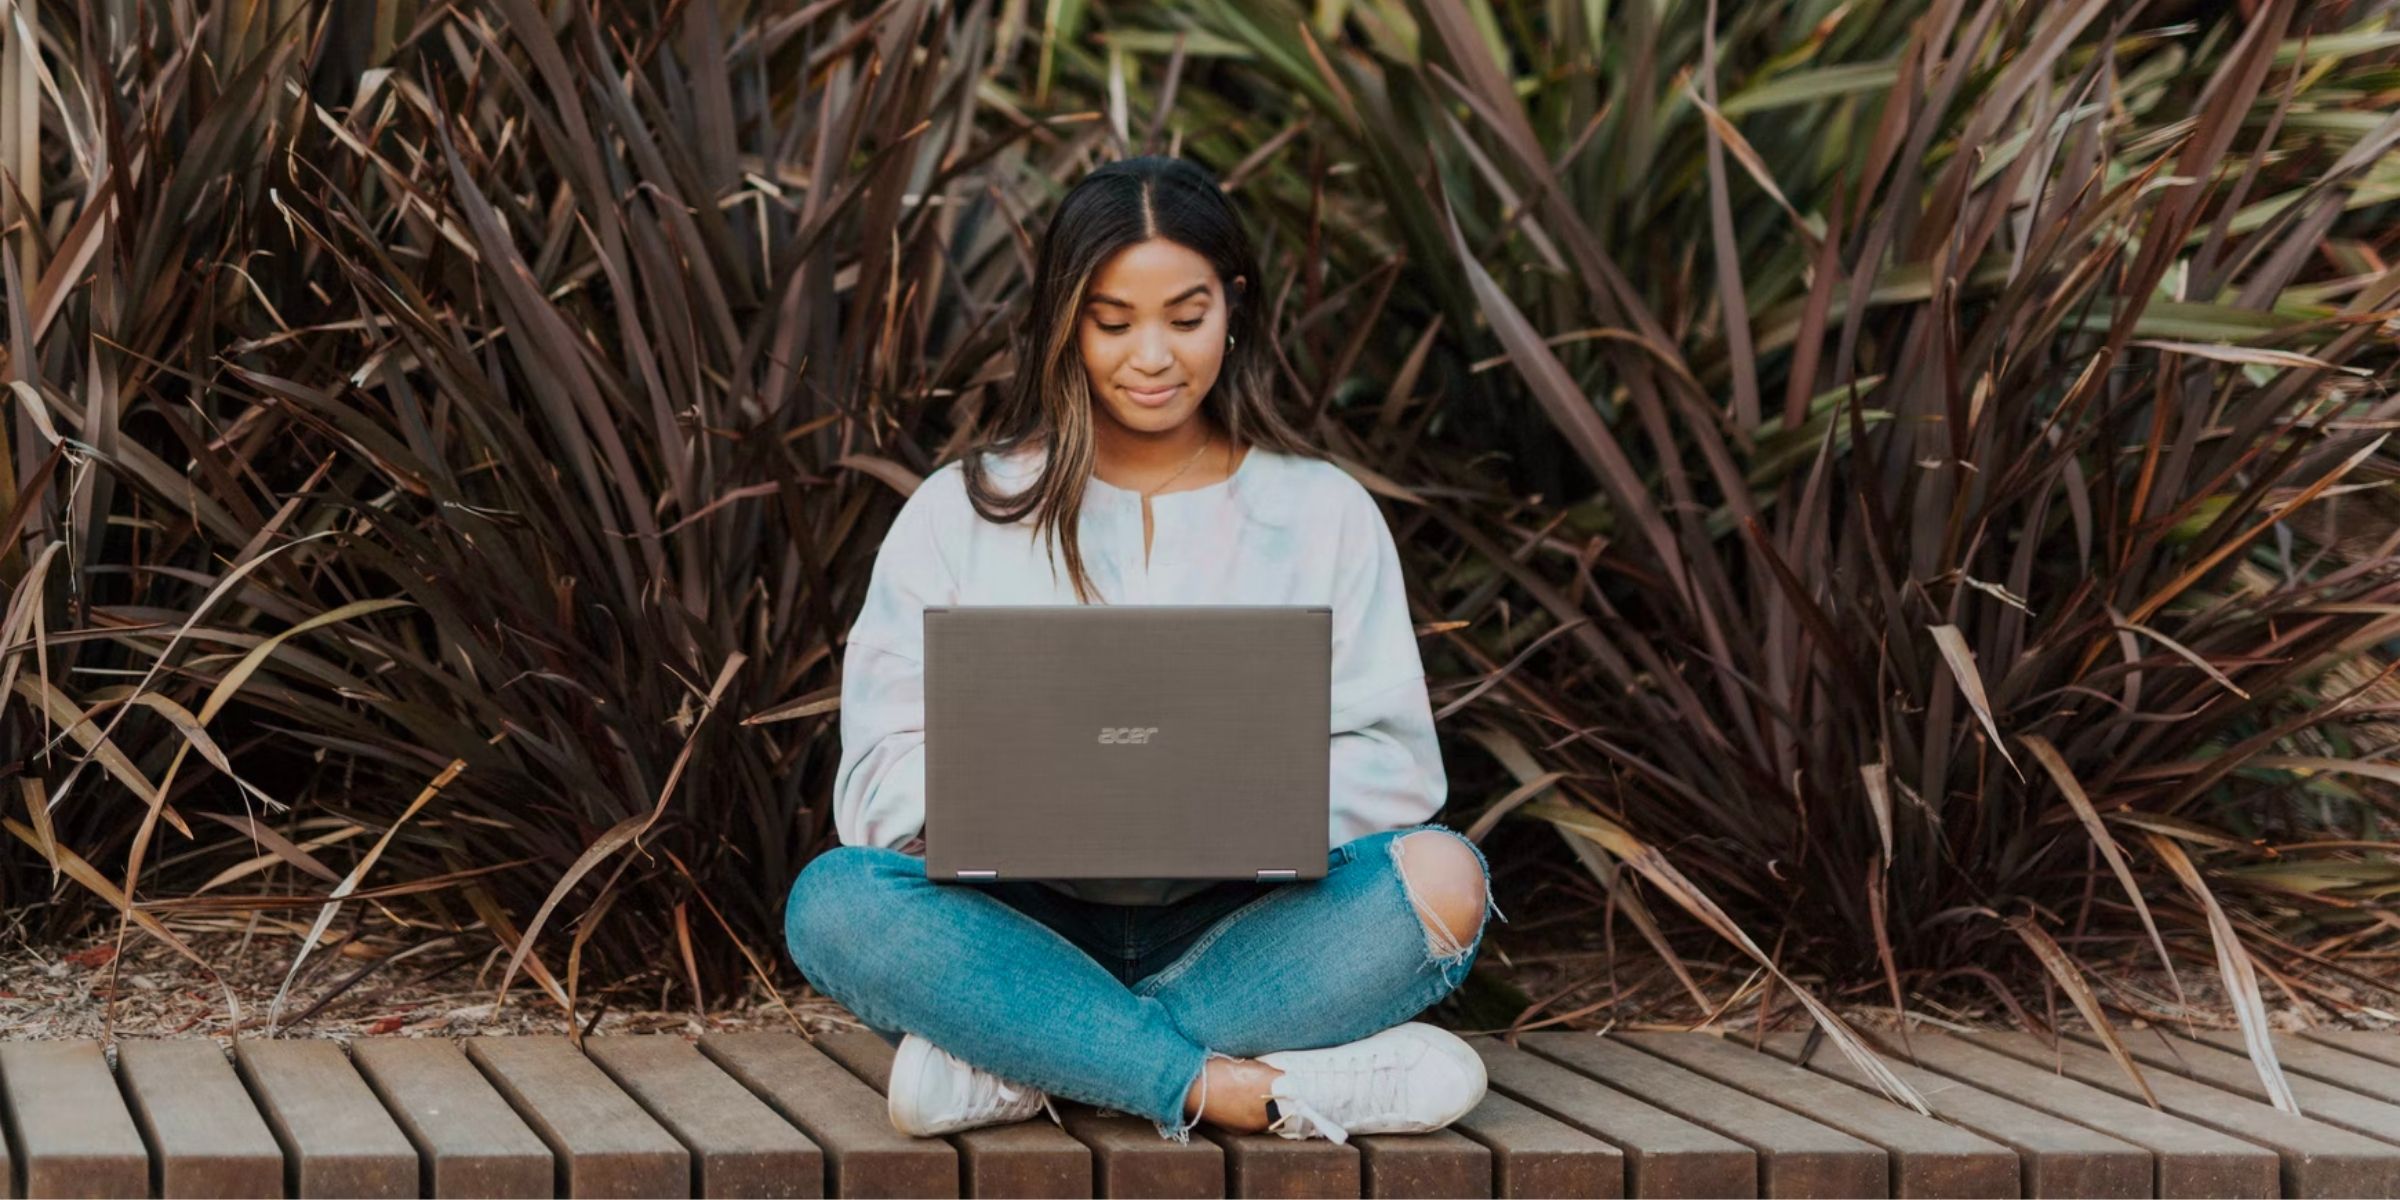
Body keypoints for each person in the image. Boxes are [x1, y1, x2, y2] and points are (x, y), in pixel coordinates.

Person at [783, 155, 1506, 1147]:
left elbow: (1394, 767)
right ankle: (1234, 1087)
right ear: (1064, 320)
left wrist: (1225, 803)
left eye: (1187, 314)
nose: (1153, 356)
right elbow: (874, 778)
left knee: (1445, 877)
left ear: (1233, 305)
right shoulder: (960, 511)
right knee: (833, 903)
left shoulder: (1321, 510)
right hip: (1015, 921)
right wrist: (1050, 800)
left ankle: (1026, 1059)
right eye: (1113, 321)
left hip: (1245, 930)